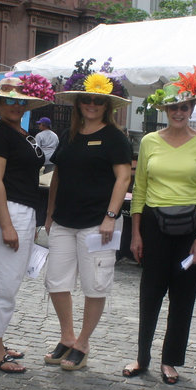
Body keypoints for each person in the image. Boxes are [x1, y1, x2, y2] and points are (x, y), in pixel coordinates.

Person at [124, 68, 196, 385]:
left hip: (190, 228)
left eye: (184, 107)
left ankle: (171, 359)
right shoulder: (150, 141)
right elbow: (140, 190)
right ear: (165, 110)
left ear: (192, 110)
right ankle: (142, 356)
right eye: (173, 107)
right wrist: (136, 232)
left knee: (183, 295)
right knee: (149, 293)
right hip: (153, 223)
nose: (179, 112)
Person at [43, 65, 132, 371]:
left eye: (97, 100)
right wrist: (50, 213)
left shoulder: (115, 138)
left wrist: (111, 216)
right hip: (64, 221)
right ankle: (67, 336)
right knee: (56, 281)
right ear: (78, 103)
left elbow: (123, 178)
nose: (91, 105)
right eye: (86, 100)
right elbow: (57, 175)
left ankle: (83, 342)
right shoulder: (70, 135)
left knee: (95, 284)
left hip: (97, 222)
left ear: (107, 105)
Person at [0, 76, 55, 373]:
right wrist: (7, 225)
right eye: (10, 99)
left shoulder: (21, 133)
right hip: (6, 208)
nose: (16, 105)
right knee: (4, 281)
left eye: (21, 100)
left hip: (20, 208)